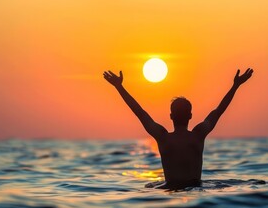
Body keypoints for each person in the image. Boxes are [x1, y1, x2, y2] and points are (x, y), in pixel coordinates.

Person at [103, 68, 254, 189]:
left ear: (171, 116)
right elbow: (219, 110)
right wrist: (235, 86)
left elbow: (140, 112)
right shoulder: (198, 134)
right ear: (190, 116)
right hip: (196, 188)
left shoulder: (163, 137)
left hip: (169, 188)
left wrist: (119, 87)